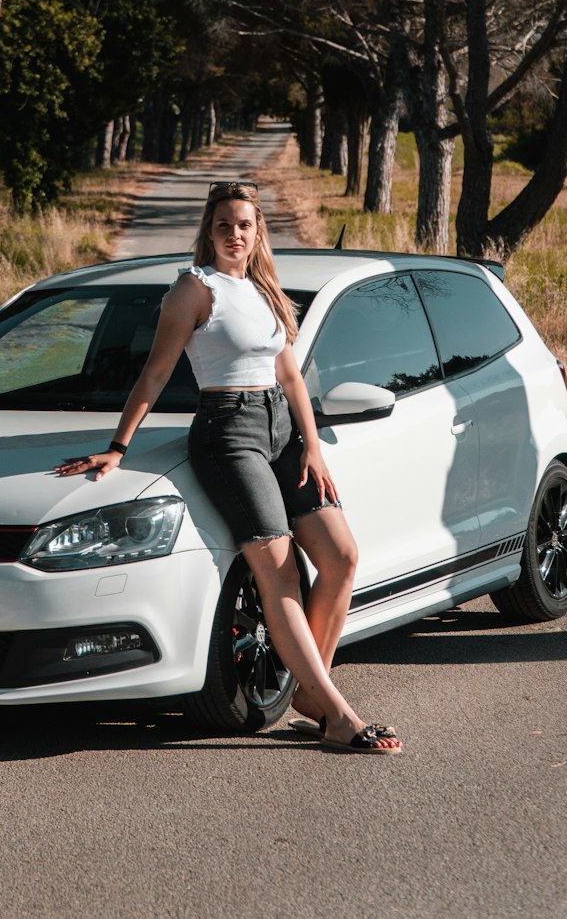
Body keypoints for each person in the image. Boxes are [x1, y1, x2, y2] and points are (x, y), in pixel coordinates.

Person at [56, 180, 402, 755]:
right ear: (208, 231)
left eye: (244, 224)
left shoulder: (265, 288)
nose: (234, 234)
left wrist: (312, 446)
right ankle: (338, 715)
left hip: (282, 430)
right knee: (282, 572)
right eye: (223, 225)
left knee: (341, 557)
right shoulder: (195, 289)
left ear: (257, 228)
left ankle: (310, 694)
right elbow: (157, 373)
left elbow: (291, 377)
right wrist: (119, 445)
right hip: (228, 431)